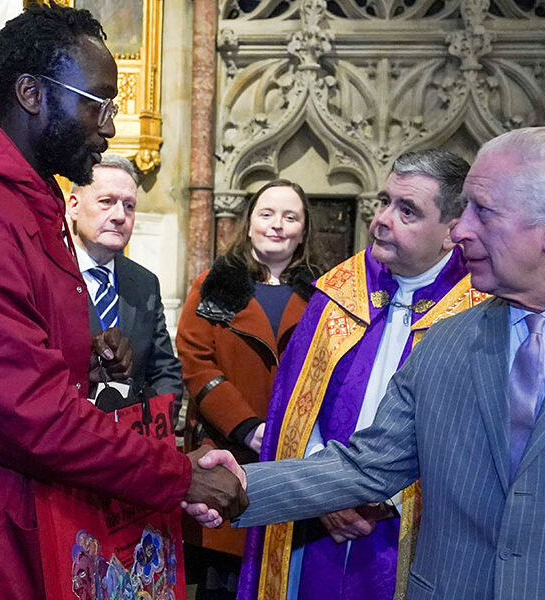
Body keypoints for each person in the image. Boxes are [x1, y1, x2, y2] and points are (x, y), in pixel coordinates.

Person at [0, 3, 245, 599]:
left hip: (20, 511)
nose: (109, 127)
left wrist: (77, 347)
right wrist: (178, 476)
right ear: (32, 93)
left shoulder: (22, 189)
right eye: (98, 104)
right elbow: (28, 415)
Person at [193, 126, 545, 600]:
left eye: (481, 212)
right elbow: (368, 465)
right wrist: (232, 483)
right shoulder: (450, 339)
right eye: (385, 202)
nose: (463, 230)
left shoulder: (451, 311)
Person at [236, 150, 488, 600]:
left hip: (415, 534)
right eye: (384, 201)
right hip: (318, 523)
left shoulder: (477, 313)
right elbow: (296, 413)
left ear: (453, 231)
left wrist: (384, 497)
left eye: (406, 210)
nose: (382, 220)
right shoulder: (338, 292)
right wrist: (327, 491)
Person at [176, 179, 323, 599]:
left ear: (303, 229)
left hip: (300, 459)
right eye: (267, 214)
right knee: (225, 582)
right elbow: (196, 363)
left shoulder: (324, 295)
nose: (277, 225)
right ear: (249, 223)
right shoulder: (214, 285)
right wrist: (249, 428)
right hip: (229, 456)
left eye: (290, 217)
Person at [67, 153, 183, 413]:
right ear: (74, 206)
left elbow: (164, 368)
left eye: (129, 205)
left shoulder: (145, 282)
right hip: (67, 436)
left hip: (135, 439)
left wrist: (155, 422)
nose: (120, 215)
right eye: (106, 202)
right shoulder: (48, 271)